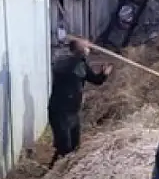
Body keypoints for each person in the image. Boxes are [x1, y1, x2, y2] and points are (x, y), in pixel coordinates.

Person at [47, 37, 112, 167]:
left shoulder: (81, 64)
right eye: (85, 46)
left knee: (74, 146)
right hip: (60, 111)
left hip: (73, 112)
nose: (88, 49)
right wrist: (80, 54)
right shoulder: (63, 61)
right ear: (77, 49)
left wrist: (103, 74)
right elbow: (62, 69)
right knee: (65, 147)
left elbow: (96, 80)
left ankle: (58, 170)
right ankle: (54, 174)